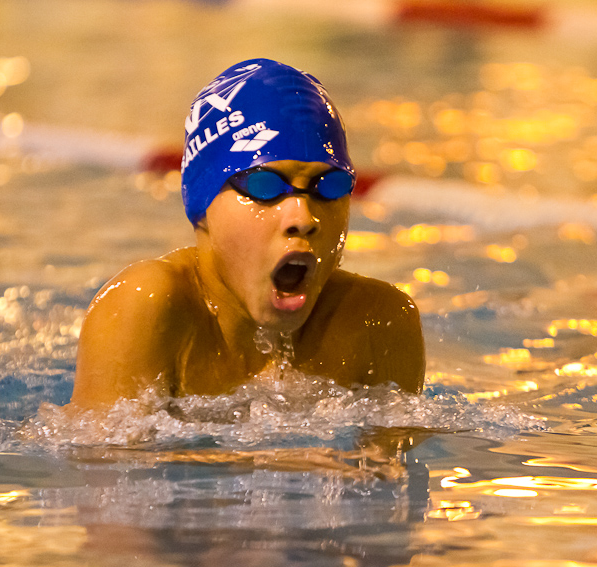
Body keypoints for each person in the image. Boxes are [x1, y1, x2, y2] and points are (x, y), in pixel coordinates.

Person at [70, 58, 425, 410]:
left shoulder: (379, 323)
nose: (303, 218)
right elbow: (101, 446)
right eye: (265, 186)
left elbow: (397, 448)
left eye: (327, 186)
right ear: (203, 203)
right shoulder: (144, 308)